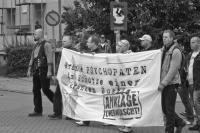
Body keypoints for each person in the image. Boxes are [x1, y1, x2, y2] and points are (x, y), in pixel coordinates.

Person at [158, 30, 186, 133]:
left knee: (169, 111)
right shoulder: (164, 49)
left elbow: (173, 70)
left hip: (171, 84)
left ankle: (169, 131)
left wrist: (163, 83)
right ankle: (180, 122)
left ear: (171, 38)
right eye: (163, 37)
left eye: (166, 37)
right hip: (165, 84)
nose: (164, 39)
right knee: (165, 109)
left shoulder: (176, 51)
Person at [75, 35, 103, 126]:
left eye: (88, 42)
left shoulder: (101, 53)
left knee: (100, 101)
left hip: (98, 83)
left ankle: (107, 120)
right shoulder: (86, 53)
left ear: (94, 43)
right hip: (88, 82)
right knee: (86, 100)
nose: (86, 43)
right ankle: (85, 120)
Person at [27, 29, 54, 116]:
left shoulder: (46, 44)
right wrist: (29, 69)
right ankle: (38, 110)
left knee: (45, 89)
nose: (34, 35)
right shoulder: (35, 45)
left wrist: (49, 71)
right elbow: (32, 58)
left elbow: (49, 58)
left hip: (44, 70)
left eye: (35, 34)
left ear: (40, 34)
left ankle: (58, 104)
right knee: (35, 89)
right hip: (36, 71)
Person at [48, 35, 76, 120]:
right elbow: (58, 64)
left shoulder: (75, 52)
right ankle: (57, 113)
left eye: (65, 41)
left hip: (71, 77)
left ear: (70, 41)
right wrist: (56, 74)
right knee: (58, 95)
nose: (63, 43)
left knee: (70, 95)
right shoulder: (62, 51)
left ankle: (70, 114)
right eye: (62, 41)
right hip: (62, 77)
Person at [173, 35, 194, 125]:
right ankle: (189, 115)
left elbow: (184, 70)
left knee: (186, 100)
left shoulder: (181, 54)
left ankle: (191, 118)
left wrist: (182, 81)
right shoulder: (180, 53)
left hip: (182, 82)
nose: (174, 44)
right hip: (180, 81)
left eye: (175, 42)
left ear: (179, 44)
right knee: (185, 100)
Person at [116, 39, 134, 133]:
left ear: (126, 47)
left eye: (120, 46)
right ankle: (125, 124)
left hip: (128, 85)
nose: (117, 47)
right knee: (123, 105)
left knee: (128, 106)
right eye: (117, 45)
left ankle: (129, 126)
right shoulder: (119, 56)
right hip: (121, 84)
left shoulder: (131, 55)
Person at [188, 36, 200, 131]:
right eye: (190, 42)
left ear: (198, 43)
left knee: (196, 102)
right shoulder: (190, 54)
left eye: (193, 42)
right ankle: (197, 123)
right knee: (193, 104)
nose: (190, 44)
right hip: (190, 83)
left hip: (198, 83)